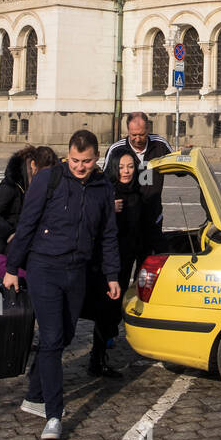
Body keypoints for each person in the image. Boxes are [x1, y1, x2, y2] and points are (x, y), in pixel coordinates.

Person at [5, 129, 120, 440]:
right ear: (67, 155)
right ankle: (53, 415)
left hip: (78, 271)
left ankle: (33, 395)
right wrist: (12, 267)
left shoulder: (102, 187)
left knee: (65, 335)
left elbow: (108, 234)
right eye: (74, 160)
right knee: (53, 338)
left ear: (97, 159)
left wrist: (112, 275)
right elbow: (26, 224)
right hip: (45, 268)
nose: (79, 166)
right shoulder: (49, 179)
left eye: (86, 161)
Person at [86, 152, 147, 378]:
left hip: (126, 261)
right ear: (114, 167)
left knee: (113, 310)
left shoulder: (137, 193)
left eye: (130, 166)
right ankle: (96, 361)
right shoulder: (105, 191)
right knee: (104, 310)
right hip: (105, 263)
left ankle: (100, 355)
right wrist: (108, 209)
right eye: (121, 166)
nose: (126, 171)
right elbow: (86, 219)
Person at [102, 112, 171, 274]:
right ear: (127, 131)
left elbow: (176, 167)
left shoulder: (159, 144)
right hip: (125, 220)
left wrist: (185, 156)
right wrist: (109, 205)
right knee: (122, 268)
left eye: (141, 134)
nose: (137, 139)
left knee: (146, 269)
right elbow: (104, 182)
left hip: (152, 218)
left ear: (148, 129)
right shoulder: (116, 149)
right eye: (133, 135)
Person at [0, 145, 59, 258]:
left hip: (20, 238)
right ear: (33, 166)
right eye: (45, 173)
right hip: (0, 240)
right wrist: (12, 232)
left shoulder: (38, 182)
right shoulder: (11, 184)